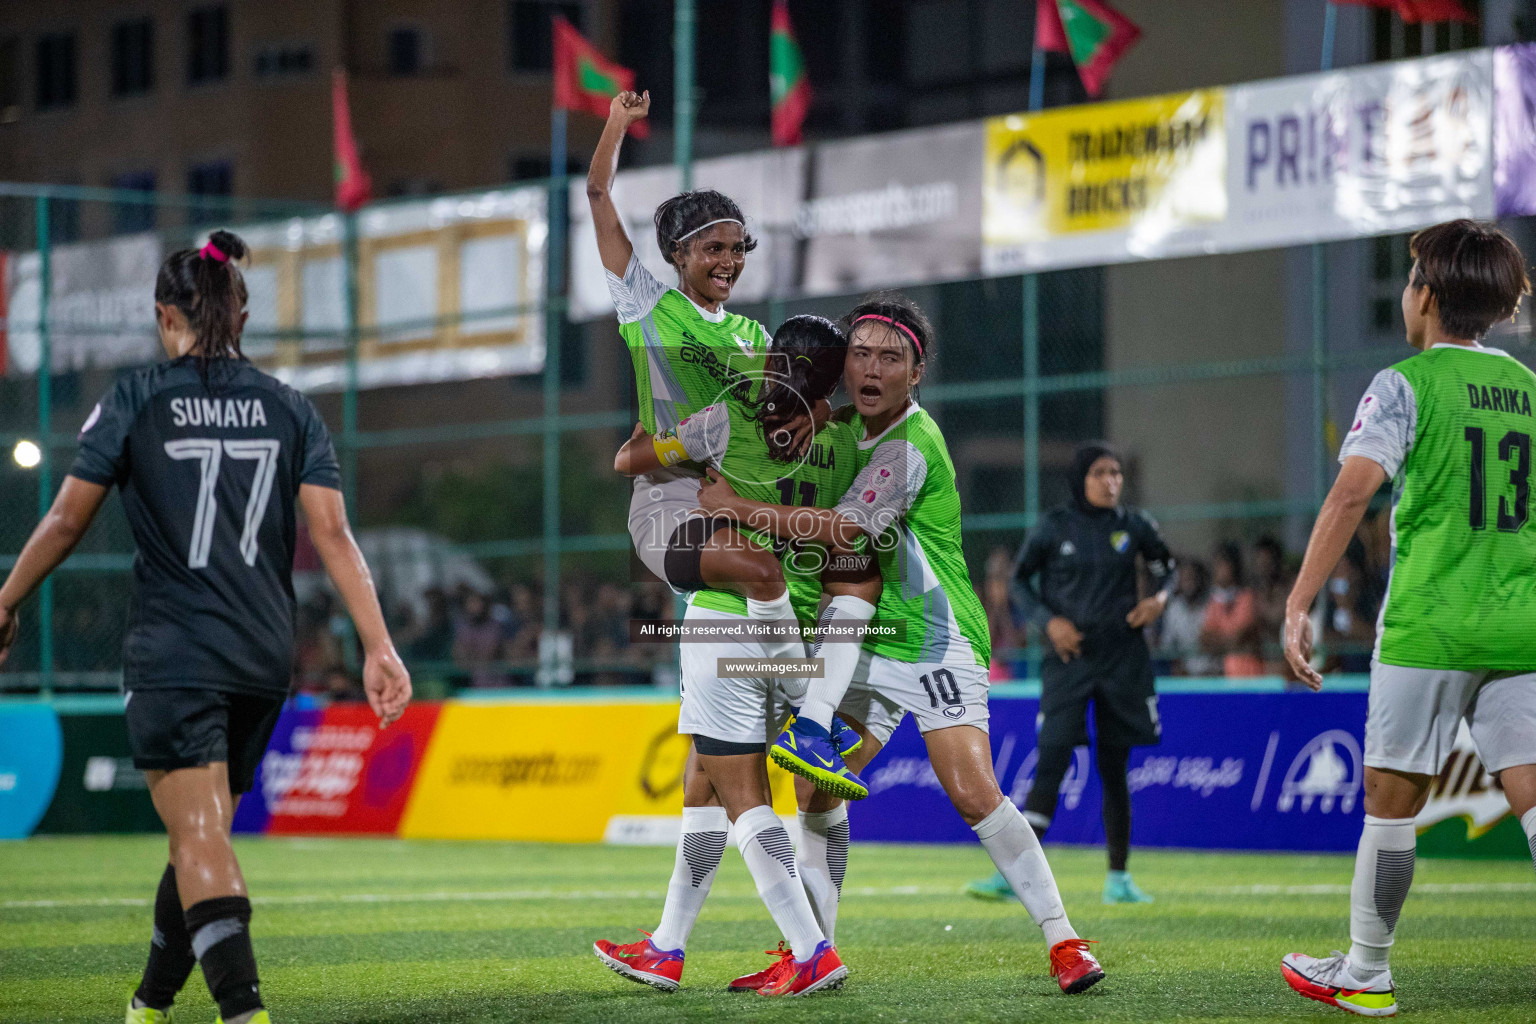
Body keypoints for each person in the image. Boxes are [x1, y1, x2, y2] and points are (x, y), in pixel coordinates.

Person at [0, 231, 411, 1024]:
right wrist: (379, 645)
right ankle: (148, 1003)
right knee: (204, 833)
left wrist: (6, 597)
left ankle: (243, 1011)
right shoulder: (291, 407)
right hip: (262, 657)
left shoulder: (136, 397)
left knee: (197, 832)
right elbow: (334, 537)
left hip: (175, 652)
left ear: (164, 315)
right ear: (243, 313)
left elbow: (62, 521)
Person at [699, 294, 1106, 997]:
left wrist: (736, 509)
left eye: (891, 357)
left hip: (934, 642)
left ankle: (1065, 940)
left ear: (917, 373)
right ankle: (809, 954)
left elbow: (848, 533)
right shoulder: (840, 422)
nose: (871, 367)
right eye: (860, 352)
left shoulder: (911, 445)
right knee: (813, 781)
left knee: (973, 793)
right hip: (861, 637)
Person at [1280, 219, 1536, 1018]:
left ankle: (1365, 971)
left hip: (1430, 625)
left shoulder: (1405, 384)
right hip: (1521, 627)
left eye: (1410, 278)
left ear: (1425, 296)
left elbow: (1352, 493)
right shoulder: (1530, 392)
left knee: (1391, 805)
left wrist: (1298, 602)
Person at [595, 315, 866, 997]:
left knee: (744, 796)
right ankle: (666, 945)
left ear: (775, 357)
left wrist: (643, 434)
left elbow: (631, 461)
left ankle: (811, 951)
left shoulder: (728, 417)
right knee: (702, 785)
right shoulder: (846, 436)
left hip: (725, 622)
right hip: (799, 631)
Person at [586, 88, 821, 663]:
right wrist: (617, 123)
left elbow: (778, 430)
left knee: (725, 702)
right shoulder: (648, 307)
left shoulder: (754, 338)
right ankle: (806, 704)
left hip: (739, 504)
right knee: (757, 584)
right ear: (677, 253)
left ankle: (781, 719)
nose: (729, 260)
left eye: (738, 248)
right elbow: (597, 193)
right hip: (672, 506)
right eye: (713, 248)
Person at [968, 443, 1176, 906]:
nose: (1111, 481)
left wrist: (1158, 601)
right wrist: (1050, 623)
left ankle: (1118, 878)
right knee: (1052, 759)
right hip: (1068, 661)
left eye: (1117, 473)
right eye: (1101, 472)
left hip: (1122, 660)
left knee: (1114, 766)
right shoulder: (1053, 527)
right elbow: (1020, 582)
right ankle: (1012, 874)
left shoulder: (1134, 526)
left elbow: (1168, 569)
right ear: (1081, 478)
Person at [1200, 542, 1264, 677]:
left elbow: (1237, 638)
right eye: (1216, 565)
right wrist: (1224, 642)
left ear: (1234, 567)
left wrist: (1219, 641)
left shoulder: (1247, 598)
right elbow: (1204, 640)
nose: (1218, 570)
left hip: (1247, 674)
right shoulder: (1214, 600)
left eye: (1222, 564)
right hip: (1220, 674)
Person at [1156, 558, 1216, 676]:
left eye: (1192, 577)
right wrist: (1179, 667)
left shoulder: (1212, 604)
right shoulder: (1174, 610)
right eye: (1185, 578)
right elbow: (1167, 647)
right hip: (1185, 677)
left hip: (1212, 674)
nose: (1189, 583)